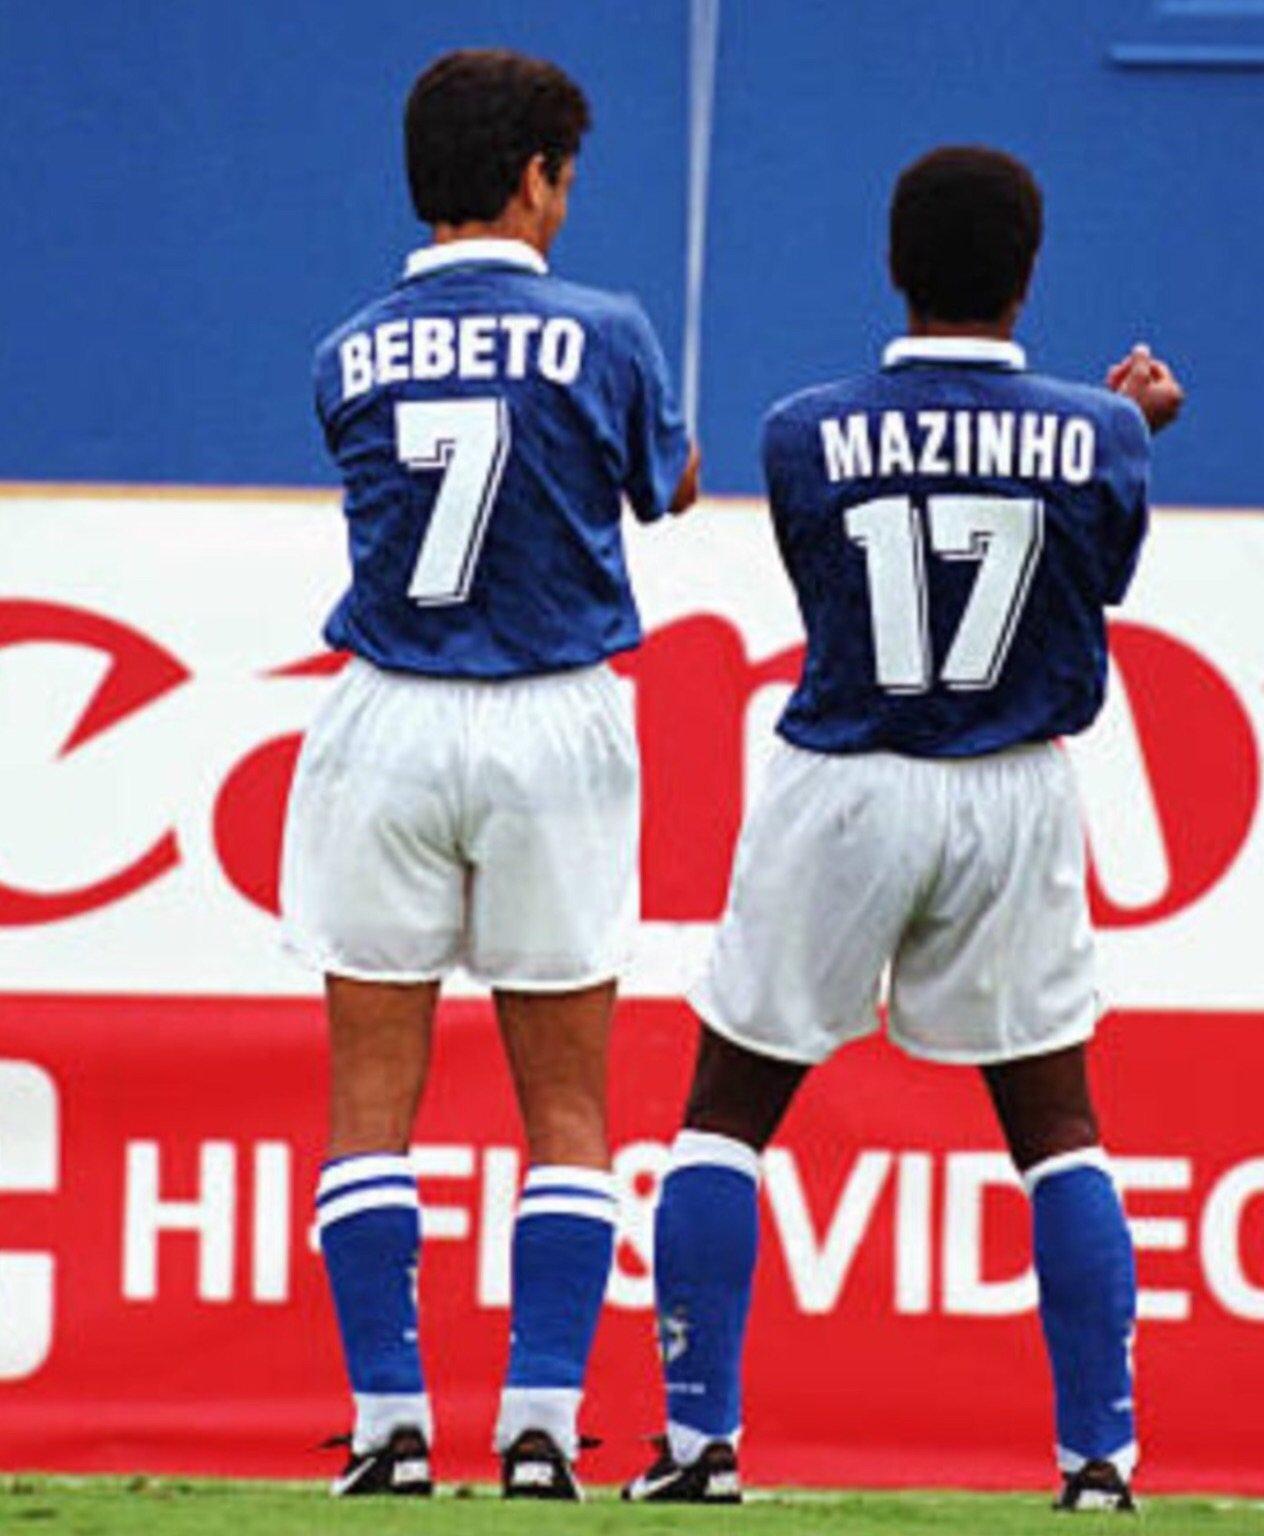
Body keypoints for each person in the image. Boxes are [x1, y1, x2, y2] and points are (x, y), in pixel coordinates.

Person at [621, 145, 1183, 1511]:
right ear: (1029, 273)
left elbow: (833, 579)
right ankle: (1099, 1462)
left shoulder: (801, 426)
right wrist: (1128, 436)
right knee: (1061, 1129)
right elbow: (1090, 571)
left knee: (724, 1120)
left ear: (894, 265)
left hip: (849, 777)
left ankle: (699, 1450)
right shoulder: (1099, 433)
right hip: (1016, 786)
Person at [281, 47, 698, 1501]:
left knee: (368, 1102)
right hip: (551, 723)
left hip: (386, 718)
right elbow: (664, 484)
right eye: (563, 178)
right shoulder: (610, 329)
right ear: (535, 177)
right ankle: (538, 1427)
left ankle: (390, 1428)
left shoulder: (344, 348)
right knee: (568, 1104)